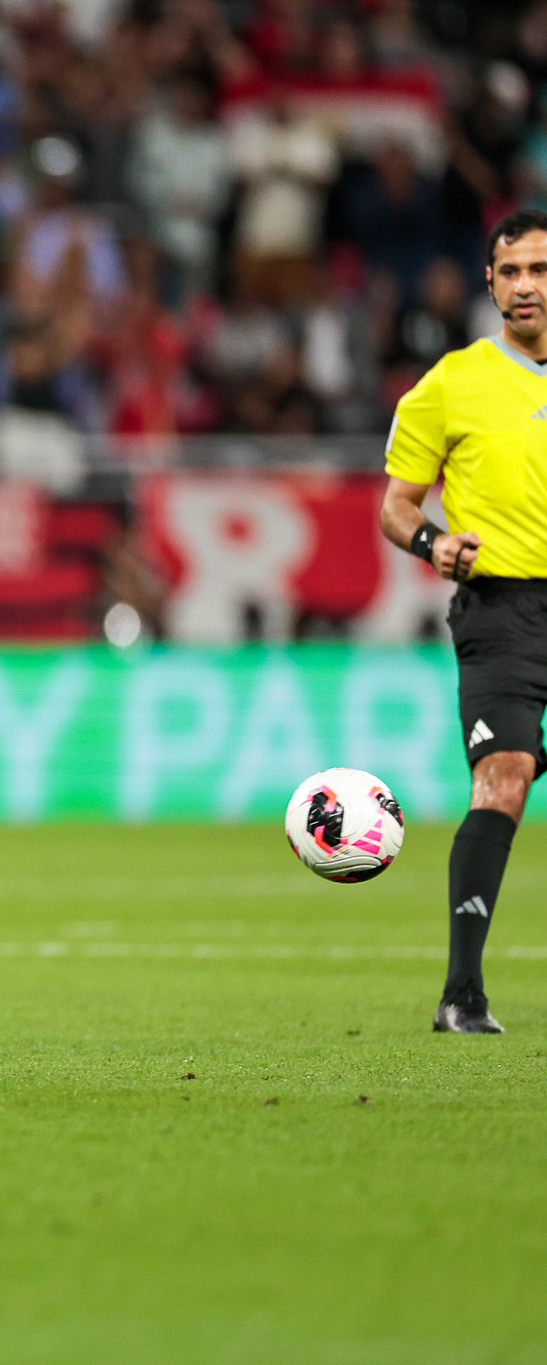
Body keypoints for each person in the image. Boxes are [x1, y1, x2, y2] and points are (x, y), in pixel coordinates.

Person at [379, 206, 547, 1034]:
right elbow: (395, 505)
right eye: (511, 271)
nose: (526, 286)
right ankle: (462, 994)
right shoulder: (452, 383)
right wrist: (433, 544)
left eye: (540, 270)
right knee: (505, 776)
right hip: (502, 609)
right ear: (489, 283)